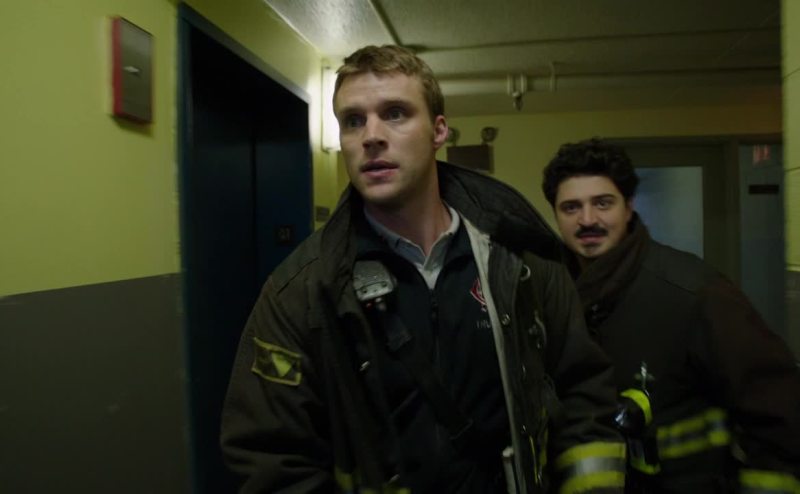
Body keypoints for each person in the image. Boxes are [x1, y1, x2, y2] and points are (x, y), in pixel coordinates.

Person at [220, 46, 626, 493]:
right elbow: (271, 456)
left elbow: (583, 392)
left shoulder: (520, 259)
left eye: (395, 113)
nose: (371, 136)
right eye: (353, 121)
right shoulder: (302, 291)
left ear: (439, 131)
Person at [542, 137, 800, 493]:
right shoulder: (552, 296)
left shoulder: (695, 292)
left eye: (603, 203)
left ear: (629, 207)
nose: (587, 220)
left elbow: (778, 413)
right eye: (571, 207)